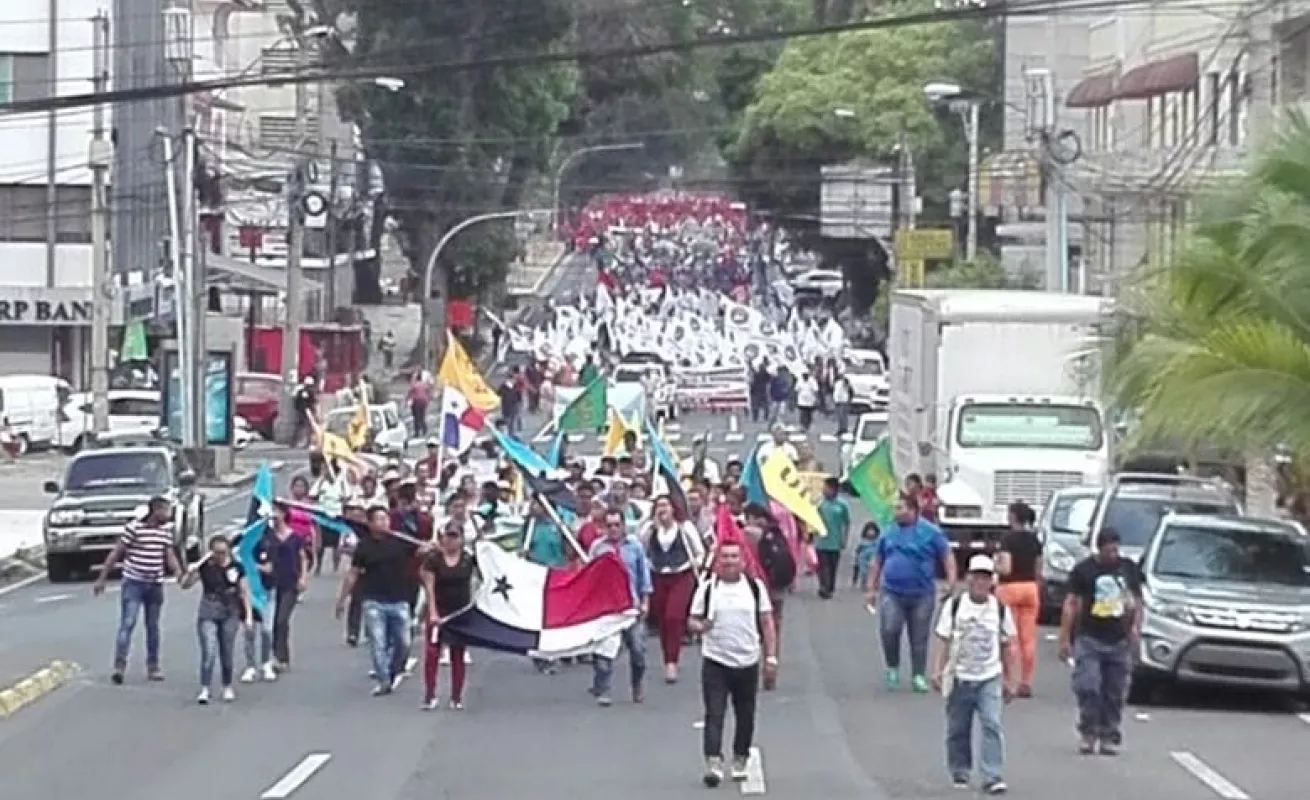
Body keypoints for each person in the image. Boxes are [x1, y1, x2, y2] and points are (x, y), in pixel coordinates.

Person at [688, 540, 778, 787]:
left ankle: (740, 756)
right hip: (716, 660)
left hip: (747, 660)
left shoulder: (754, 588)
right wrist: (700, 626)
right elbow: (692, 621)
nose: (728, 561)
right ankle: (713, 762)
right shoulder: (708, 589)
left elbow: (767, 622)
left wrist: (771, 657)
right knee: (714, 713)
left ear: (743, 561)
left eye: (733, 556)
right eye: (724, 556)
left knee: (745, 714)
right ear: (718, 561)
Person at [930, 555, 1017, 794]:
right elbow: (943, 638)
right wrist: (937, 669)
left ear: (992, 582)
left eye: (985, 577)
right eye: (976, 576)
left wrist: (1012, 679)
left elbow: (1008, 644)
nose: (980, 582)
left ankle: (992, 774)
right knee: (958, 727)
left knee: (992, 724)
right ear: (968, 578)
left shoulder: (999, 609)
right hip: (960, 676)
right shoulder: (955, 606)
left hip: (989, 676)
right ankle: (960, 769)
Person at [1058, 528, 1141, 755]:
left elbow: (1136, 600)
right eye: (1108, 550)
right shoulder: (1084, 570)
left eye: (1116, 549)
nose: (1113, 555)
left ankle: (1108, 734)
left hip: (1118, 638)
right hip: (1089, 636)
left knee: (1115, 691)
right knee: (1088, 686)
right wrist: (1064, 637)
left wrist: (1134, 627)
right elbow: (1072, 602)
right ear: (1099, 548)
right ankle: (1088, 730)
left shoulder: (1127, 569)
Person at [865, 493, 956, 692]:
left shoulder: (930, 532)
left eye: (900, 508)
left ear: (913, 510)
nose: (896, 512)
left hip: (922, 592)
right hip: (892, 591)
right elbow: (876, 560)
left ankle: (918, 675)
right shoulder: (888, 532)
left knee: (919, 636)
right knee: (889, 629)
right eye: (895, 508)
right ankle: (892, 667)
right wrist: (871, 589)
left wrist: (951, 582)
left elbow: (947, 556)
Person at [93, 496, 182, 684]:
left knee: (153, 626)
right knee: (128, 623)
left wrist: (179, 572)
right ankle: (119, 666)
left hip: (155, 584)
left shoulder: (166, 531)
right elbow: (117, 552)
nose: (168, 515)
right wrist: (102, 578)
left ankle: (153, 666)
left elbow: (169, 554)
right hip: (134, 582)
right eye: (165, 510)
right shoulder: (134, 529)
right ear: (154, 511)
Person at [336, 505, 421, 696]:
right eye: (379, 519)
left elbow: (421, 552)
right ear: (371, 523)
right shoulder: (364, 546)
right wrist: (342, 600)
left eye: (386, 519)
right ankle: (383, 680)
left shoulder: (400, 541)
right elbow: (353, 574)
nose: (384, 522)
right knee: (378, 642)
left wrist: (430, 547)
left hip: (400, 599)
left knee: (404, 643)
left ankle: (393, 669)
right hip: (373, 600)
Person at [588, 508, 652, 706]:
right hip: (606, 609)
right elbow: (589, 578)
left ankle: (637, 683)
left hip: (631, 607)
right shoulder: (598, 548)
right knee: (604, 652)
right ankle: (603, 688)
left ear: (623, 525)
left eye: (617, 525)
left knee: (638, 650)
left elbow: (644, 575)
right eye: (609, 526)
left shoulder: (635, 547)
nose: (614, 529)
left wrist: (645, 601)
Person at [181, 534, 252, 704]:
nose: (220, 556)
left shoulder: (236, 567)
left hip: (230, 611)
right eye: (217, 553)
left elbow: (243, 592)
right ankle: (205, 687)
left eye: (223, 553)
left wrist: (248, 616)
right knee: (209, 650)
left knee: (226, 651)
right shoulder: (205, 567)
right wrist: (190, 573)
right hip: (209, 610)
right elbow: (185, 585)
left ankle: (227, 685)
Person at [642, 495, 705, 683]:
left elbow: (700, 552)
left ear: (673, 508)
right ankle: (667, 657)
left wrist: (697, 562)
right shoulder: (650, 529)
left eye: (665, 505)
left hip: (681, 574)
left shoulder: (685, 528)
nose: (662, 509)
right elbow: (642, 549)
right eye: (658, 506)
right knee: (662, 620)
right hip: (659, 575)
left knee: (674, 616)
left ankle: (672, 662)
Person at [419, 525, 475, 710]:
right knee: (432, 652)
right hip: (439, 610)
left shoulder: (468, 560)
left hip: (460, 612)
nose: (450, 540)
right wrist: (433, 612)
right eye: (447, 536)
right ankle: (430, 694)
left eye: (454, 536)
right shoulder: (433, 560)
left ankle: (456, 696)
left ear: (461, 538)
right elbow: (429, 587)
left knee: (457, 654)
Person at [994, 501, 1042, 697]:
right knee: (1027, 638)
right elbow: (1039, 568)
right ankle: (1026, 680)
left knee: (1009, 637)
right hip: (1030, 588)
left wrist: (995, 564)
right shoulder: (1034, 540)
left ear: (1013, 516)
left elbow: (1006, 568)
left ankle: (1009, 680)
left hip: (1009, 588)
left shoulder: (1007, 539)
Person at [268, 501, 310, 671]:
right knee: (272, 621)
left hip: (290, 583)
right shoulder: (267, 536)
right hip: (271, 584)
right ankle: (275, 655)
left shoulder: (295, 537)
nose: (273, 514)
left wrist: (303, 578)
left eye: (277, 511)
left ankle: (281, 656)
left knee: (282, 619)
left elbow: (303, 558)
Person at [233, 525, 277, 682]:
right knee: (249, 629)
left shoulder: (270, 541)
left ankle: (266, 663)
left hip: (266, 591)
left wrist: (252, 565)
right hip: (247, 592)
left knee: (267, 629)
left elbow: (269, 568)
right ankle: (250, 666)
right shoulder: (242, 542)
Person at [814, 477, 850, 599]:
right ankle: (824, 587)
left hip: (835, 541)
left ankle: (830, 587)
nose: (824, 490)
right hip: (821, 541)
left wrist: (844, 538)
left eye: (826, 488)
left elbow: (847, 522)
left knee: (833, 566)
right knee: (823, 566)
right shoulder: (820, 503)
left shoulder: (842, 505)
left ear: (833, 489)